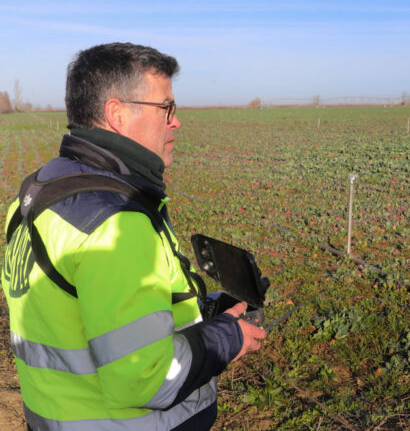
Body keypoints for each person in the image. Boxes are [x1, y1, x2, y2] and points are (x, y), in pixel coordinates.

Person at [1, 42, 266, 430]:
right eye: (167, 108)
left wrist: (204, 309)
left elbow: (84, 314)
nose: (176, 122)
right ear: (117, 114)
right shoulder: (115, 221)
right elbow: (146, 377)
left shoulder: (36, 194)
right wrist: (228, 336)